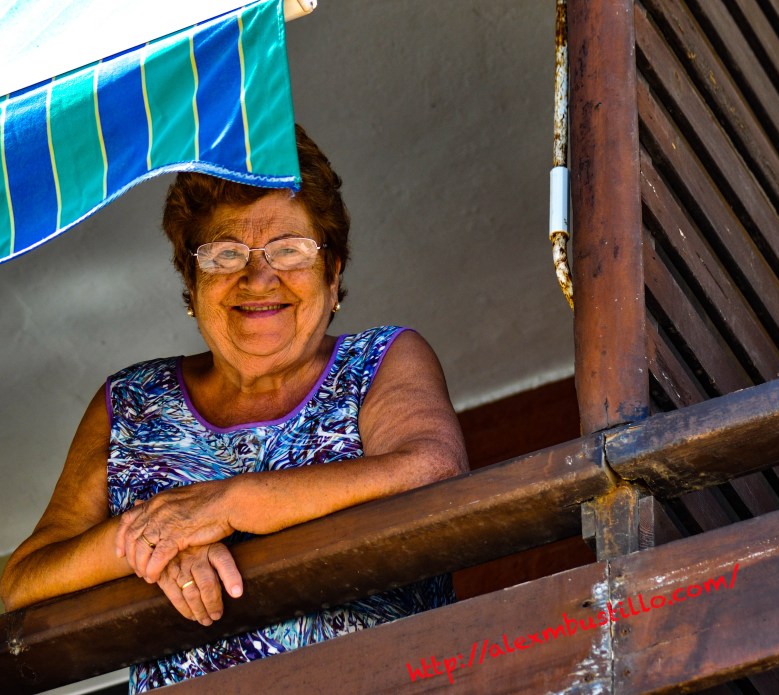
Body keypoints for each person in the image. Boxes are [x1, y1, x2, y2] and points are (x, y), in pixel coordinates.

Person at [0, 125, 469, 691]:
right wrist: (159, 541)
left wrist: (228, 504)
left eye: (290, 250)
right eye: (225, 253)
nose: (258, 276)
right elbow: (23, 579)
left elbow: (430, 468)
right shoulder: (129, 404)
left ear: (334, 272)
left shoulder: (382, 360)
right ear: (191, 282)